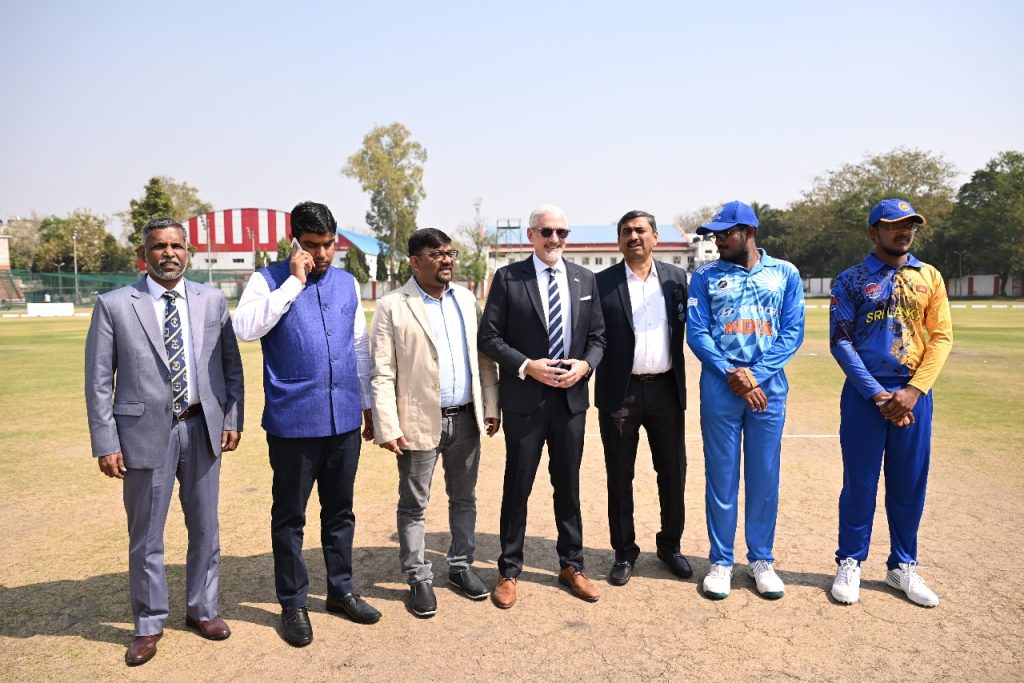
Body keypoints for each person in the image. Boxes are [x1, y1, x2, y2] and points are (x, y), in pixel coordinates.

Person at [84, 217, 244, 666]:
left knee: (206, 529)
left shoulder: (211, 300)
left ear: (187, 251)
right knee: (146, 535)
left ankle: (203, 609)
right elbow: (99, 381)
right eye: (159, 246)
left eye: (176, 245)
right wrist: (105, 441)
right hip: (141, 435)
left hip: (202, 428)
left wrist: (232, 416)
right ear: (145, 253)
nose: (168, 253)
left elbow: (231, 366)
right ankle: (149, 623)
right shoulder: (115, 305)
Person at [233, 201, 380, 647]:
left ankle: (341, 590)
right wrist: (294, 283)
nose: (321, 255)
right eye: (312, 246)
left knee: (340, 513)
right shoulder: (266, 280)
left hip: (343, 421)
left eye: (328, 245)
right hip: (293, 422)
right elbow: (245, 328)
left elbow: (358, 346)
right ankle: (293, 602)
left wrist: (369, 405)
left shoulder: (347, 283)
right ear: (295, 241)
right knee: (290, 517)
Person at [479, 203, 606, 608]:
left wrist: (585, 365)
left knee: (567, 486)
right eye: (547, 232)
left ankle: (572, 565)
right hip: (525, 402)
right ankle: (509, 570)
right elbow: (490, 338)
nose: (555, 240)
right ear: (531, 235)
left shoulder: (585, 278)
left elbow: (599, 338)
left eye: (562, 233)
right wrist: (526, 366)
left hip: (570, 401)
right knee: (518, 486)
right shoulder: (508, 278)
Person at [369, 228, 500, 618]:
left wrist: (491, 405)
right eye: (436, 254)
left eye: (449, 253)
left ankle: (460, 567)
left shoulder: (465, 299)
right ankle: (418, 577)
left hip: (466, 420)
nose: (446, 260)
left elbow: (484, 359)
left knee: (464, 498)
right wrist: (386, 425)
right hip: (417, 422)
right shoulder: (393, 305)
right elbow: (381, 371)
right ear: (415, 261)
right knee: (414, 505)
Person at [828, 199, 953, 607]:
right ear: (873, 232)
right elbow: (841, 341)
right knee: (860, 484)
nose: (904, 232)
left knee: (908, 483)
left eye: (910, 225)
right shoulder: (850, 279)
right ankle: (850, 561)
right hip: (868, 395)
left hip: (915, 394)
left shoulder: (929, 276)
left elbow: (941, 338)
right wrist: (878, 394)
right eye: (893, 225)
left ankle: (902, 566)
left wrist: (913, 391)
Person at [686, 201, 805, 600]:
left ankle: (761, 559)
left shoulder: (785, 273)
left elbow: (792, 332)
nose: (718, 240)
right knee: (721, 476)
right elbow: (698, 333)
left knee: (763, 475)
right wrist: (732, 373)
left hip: (767, 385)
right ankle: (721, 560)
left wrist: (756, 374)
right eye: (715, 234)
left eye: (725, 233)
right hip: (721, 385)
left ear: (749, 232)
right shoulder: (705, 276)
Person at [595, 210, 691, 586]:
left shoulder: (676, 279)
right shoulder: (602, 283)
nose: (633, 237)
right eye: (625, 232)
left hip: (667, 389)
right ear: (618, 241)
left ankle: (670, 546)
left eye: (640, 231)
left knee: (673, 473)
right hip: (621, 393)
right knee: (620, 475)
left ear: (656, 238)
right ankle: (624, 551)